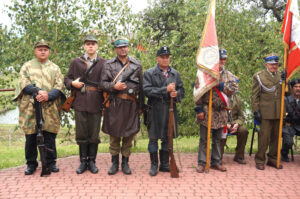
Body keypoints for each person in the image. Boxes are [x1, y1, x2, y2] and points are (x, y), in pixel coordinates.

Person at [14, 39, 65, 175]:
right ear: (35, 51)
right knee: (31, 136)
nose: (43, 51)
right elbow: (23, 83)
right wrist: (38, 91)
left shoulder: (55, 68)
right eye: (40, 49)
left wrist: (48, 95)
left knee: (49, 135)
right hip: (31, 107)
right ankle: (31, 164)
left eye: (45, 49)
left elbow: (59, 85)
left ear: (48, 51)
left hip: (50, 107)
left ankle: (51, 162)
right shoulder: (27, 66)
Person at [100, 37, 144, 175]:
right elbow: (101, 84)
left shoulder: (137, 64)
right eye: (120, 47)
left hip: (131, 105)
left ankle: (125, 163)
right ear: (115, 49)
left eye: (125, 46)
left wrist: (141, 106)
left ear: (128, 48)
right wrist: (114, 86)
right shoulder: (108, 64)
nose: (123, 49)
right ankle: (114, 163)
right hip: (114, 105)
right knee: (114, 135)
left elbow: (142, 87)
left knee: (128, 135)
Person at [64, 34, 106, 174]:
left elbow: (106, 81)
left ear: (97, 46)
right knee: (81, 133)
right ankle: (83, 161)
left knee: (94, 133)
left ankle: (92, 161)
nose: (90, 46)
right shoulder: (75, 62)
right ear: (84, 46)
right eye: (88, 44)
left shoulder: (103, 63)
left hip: (96, 101)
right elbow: (67, 79)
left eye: (93, 44)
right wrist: (72, 83)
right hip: (80, 101)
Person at [143, 46, 185, 176]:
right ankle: (154, 165)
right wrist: (164, 90)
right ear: (157, 59)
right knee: (153, 139)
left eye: (167, 57)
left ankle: (165, 164)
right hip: (154, 110)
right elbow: (146, 90)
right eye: (163, 57)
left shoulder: (175, 74)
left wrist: (176, 94)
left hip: (169, 109)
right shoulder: (149, 73)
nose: (165, 59)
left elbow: (182, 91)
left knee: (168, 138)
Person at [194, 49, 237, 173]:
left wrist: (221, 85)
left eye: (224, 59)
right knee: (203, 139)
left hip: (221, 111)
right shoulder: (204, 73)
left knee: (218, 139)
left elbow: (233, 89)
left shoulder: (228, 74)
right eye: (220, 58)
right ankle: (202, 162)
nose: (222, 61)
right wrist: (199, 109)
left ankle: (216, 161)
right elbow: (197, 92)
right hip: (206, 110)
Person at [252, 52, 285, 170]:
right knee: (264, 137)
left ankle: (273, 159)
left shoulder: (281, 75)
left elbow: (288, 93)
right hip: (265, 111)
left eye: (276, 64)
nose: (274, 66)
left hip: (278, 111)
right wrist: (256, 110)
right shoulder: (259, 76)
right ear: (266, 65)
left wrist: (286, 81)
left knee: (276, 137)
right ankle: (260, 159)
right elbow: (255, 95)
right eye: (271, 65)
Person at [220, 80, 249, 164]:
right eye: (228, 90)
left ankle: (239, 156)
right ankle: (218, 157)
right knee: (222, 131)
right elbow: (218, 115)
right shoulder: (221, 98)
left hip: (234, 123)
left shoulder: (238, 99)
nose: (230, 92)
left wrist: (236, 124)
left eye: (233, 90)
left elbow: (241, 116)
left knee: (244, 130)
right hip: (222, 123)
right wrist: (227, 125)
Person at [281, 79, 300, 162]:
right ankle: (284, 154)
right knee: (288, 142)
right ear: (292, 88)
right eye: (296, 87)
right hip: (288, 125)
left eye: (299, 87)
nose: (298, 89)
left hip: (299, 125)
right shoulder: (286, 99)